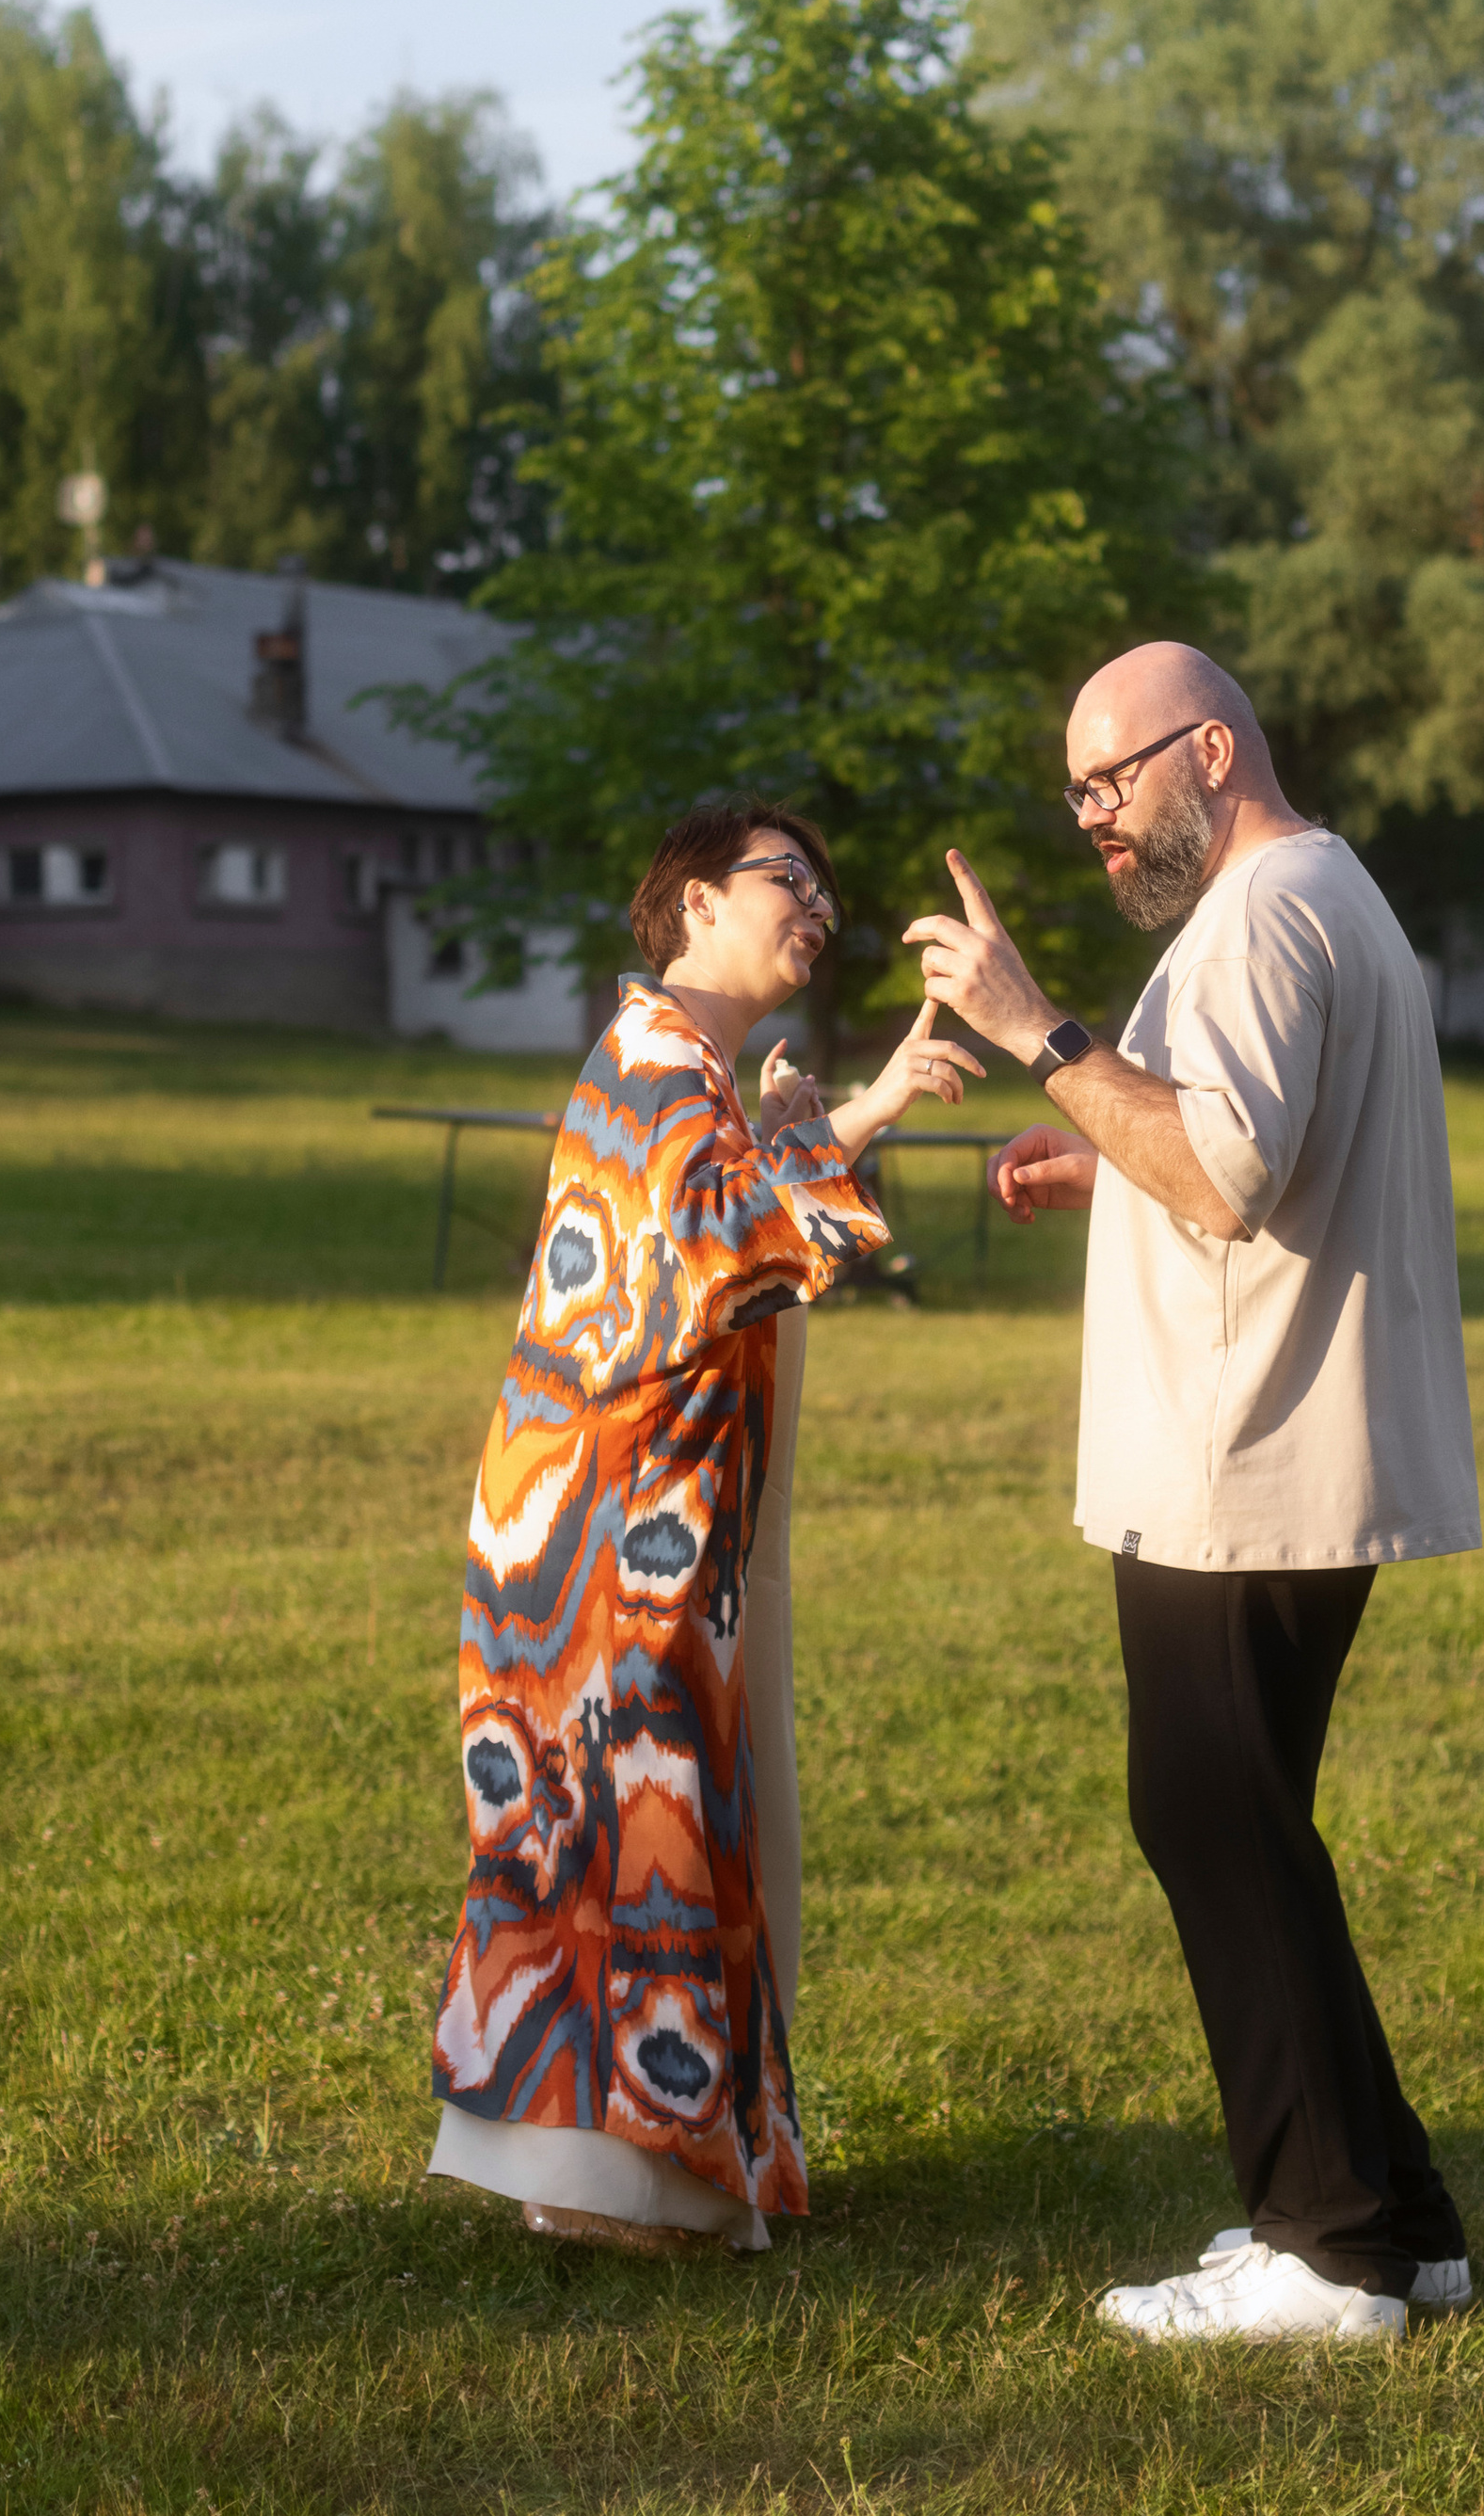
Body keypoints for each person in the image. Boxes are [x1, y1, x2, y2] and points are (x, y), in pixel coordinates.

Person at [903, 642, 1480, 2347]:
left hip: (1243, 1461)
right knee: (1249, 1831)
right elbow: (1250, 1148)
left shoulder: (1256, 914)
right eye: (1074, 789)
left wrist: (1035, 1029)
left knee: (1215, 1823)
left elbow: (1227, 1177)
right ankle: (1400, 2222)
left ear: (1209, 750)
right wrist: (1103, 1154)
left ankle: (1329, 2249)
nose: (1092, 816)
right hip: (1288, 1450)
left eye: (1113, 777)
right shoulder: (1325, 889)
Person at [428, 794, 981, 2254]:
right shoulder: (657, 1054)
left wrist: (807, 1124)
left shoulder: (693, 1071)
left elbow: (738, 1242)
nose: (814, 904)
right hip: (612, 1539)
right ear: (691, 904)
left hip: (631, 1523)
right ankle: (639, 2189)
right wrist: (864, 1113)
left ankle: (627, 2183)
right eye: (784, 877)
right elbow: (724, 1237)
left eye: (825, 887)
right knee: (638, 1843)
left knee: (618, 1845)